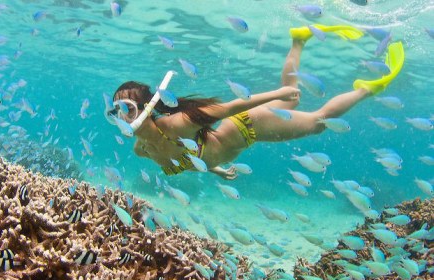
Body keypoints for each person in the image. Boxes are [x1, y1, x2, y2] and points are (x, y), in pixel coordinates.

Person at [111, 24, 404, 180]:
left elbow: (228, 109)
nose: (120, 116)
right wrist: (215, 169)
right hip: (242, 138)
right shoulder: (142, 150)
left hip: (250, 126)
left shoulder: (176, 124)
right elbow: (190, 158)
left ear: (147, 109)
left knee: (318, 123)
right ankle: (299, 39)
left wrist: (275, 95)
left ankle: (369, 87)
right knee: (292, 95)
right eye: (115, 110)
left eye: (127, 108)